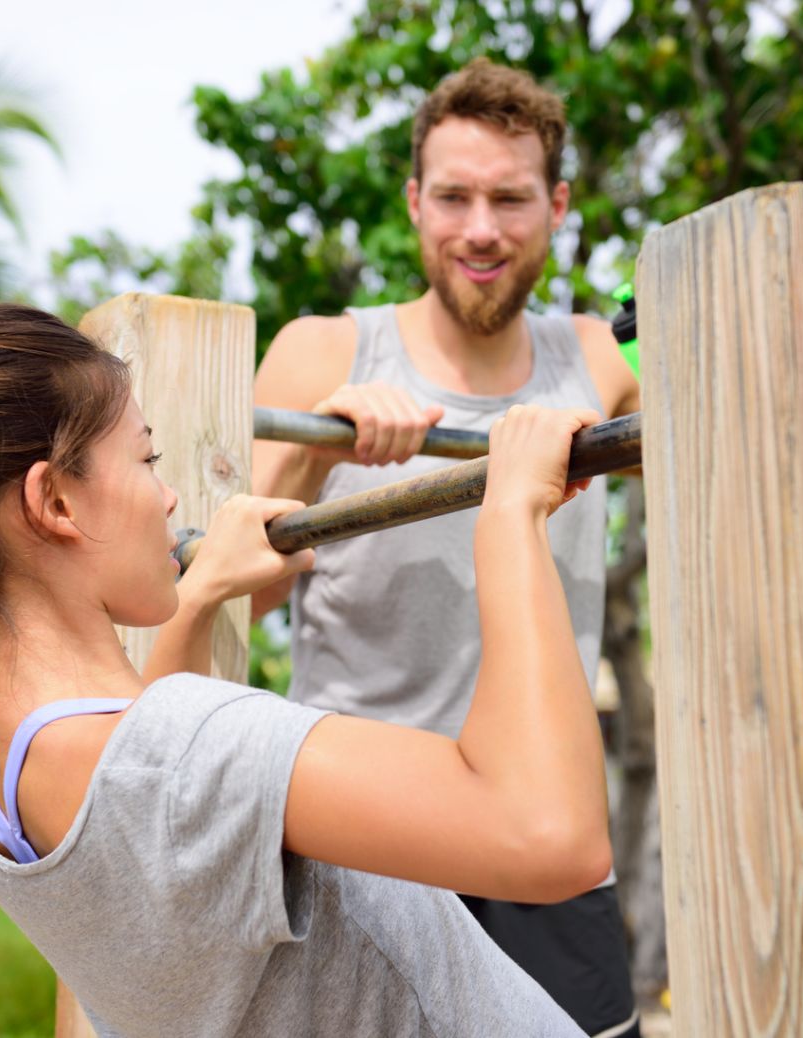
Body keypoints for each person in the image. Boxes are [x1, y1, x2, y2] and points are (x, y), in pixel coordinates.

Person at [0, 302, 613, 1038]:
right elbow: (548, 836)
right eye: (145, 457)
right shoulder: (184, 756)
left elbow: (154, 800)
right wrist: (509, 515)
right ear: (55, 500)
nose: (171, 494)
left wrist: (202, 592)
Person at [253, 59, 641, 1037]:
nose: (481, 229)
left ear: (555, 206)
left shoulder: (597, 362)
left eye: (510, 198)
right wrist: (318, 449)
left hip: (543, 823)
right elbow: (224, 593)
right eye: (455, 196)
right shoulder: (324, 351)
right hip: (368, 827)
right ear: (414, 201)